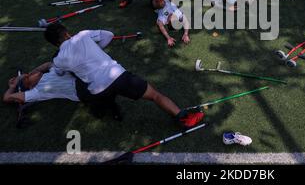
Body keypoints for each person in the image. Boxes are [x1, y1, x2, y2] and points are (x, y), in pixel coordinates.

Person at [44, 23, 203, 127]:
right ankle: (182, 118)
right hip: (117, 76)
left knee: (100, 96)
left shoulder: (58, 59)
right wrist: (97, 49)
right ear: (66, 33)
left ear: (55, 44)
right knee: (154, 95)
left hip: (97, 90)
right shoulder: (82, 35)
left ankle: (113, 111)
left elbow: (58, 71)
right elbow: (109, 35)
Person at [3, 62, 79, 105]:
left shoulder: (51, 72)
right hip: (83, 91)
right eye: (27, 77)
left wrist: (34, 70)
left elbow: (48, 64)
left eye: (29, 73)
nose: (30, 73)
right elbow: (7, 98)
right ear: (29, 86)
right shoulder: (37, 91)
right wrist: (12, 87)